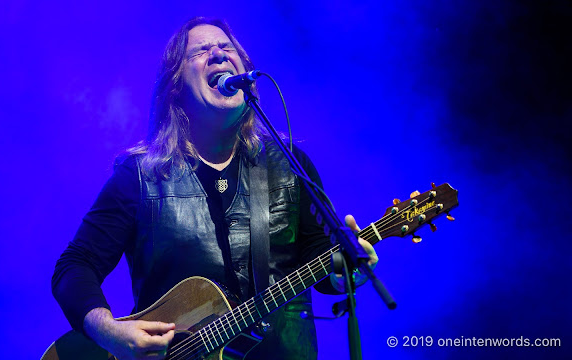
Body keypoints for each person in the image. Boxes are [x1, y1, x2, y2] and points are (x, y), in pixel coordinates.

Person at [52, 17, 378, 360]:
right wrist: (110, 332)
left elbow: (325, 273)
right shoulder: (141, 175)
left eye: (226, 48)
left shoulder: (288, 164)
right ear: (176, 86)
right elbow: (75, 266)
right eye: (202, 51)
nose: (219, 55)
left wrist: (348, 272)